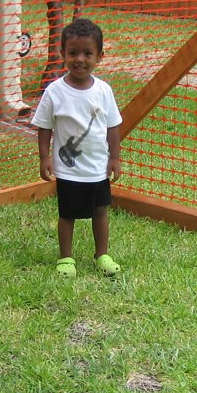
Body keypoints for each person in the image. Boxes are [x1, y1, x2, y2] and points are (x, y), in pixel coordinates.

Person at [31, 18, 123, 278]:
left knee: (100, 211)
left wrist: (114, 157)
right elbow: (44, 126)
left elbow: (113, 126)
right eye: (72, 53)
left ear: (100, 57)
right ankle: (65, 258)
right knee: (67, 214)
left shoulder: (104, 91)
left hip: (97, 167)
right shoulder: (54, 92)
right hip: (69, 170)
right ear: (62, 54)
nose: (79, 59)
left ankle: (101, 254)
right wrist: (44, 157)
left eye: (87, 53)